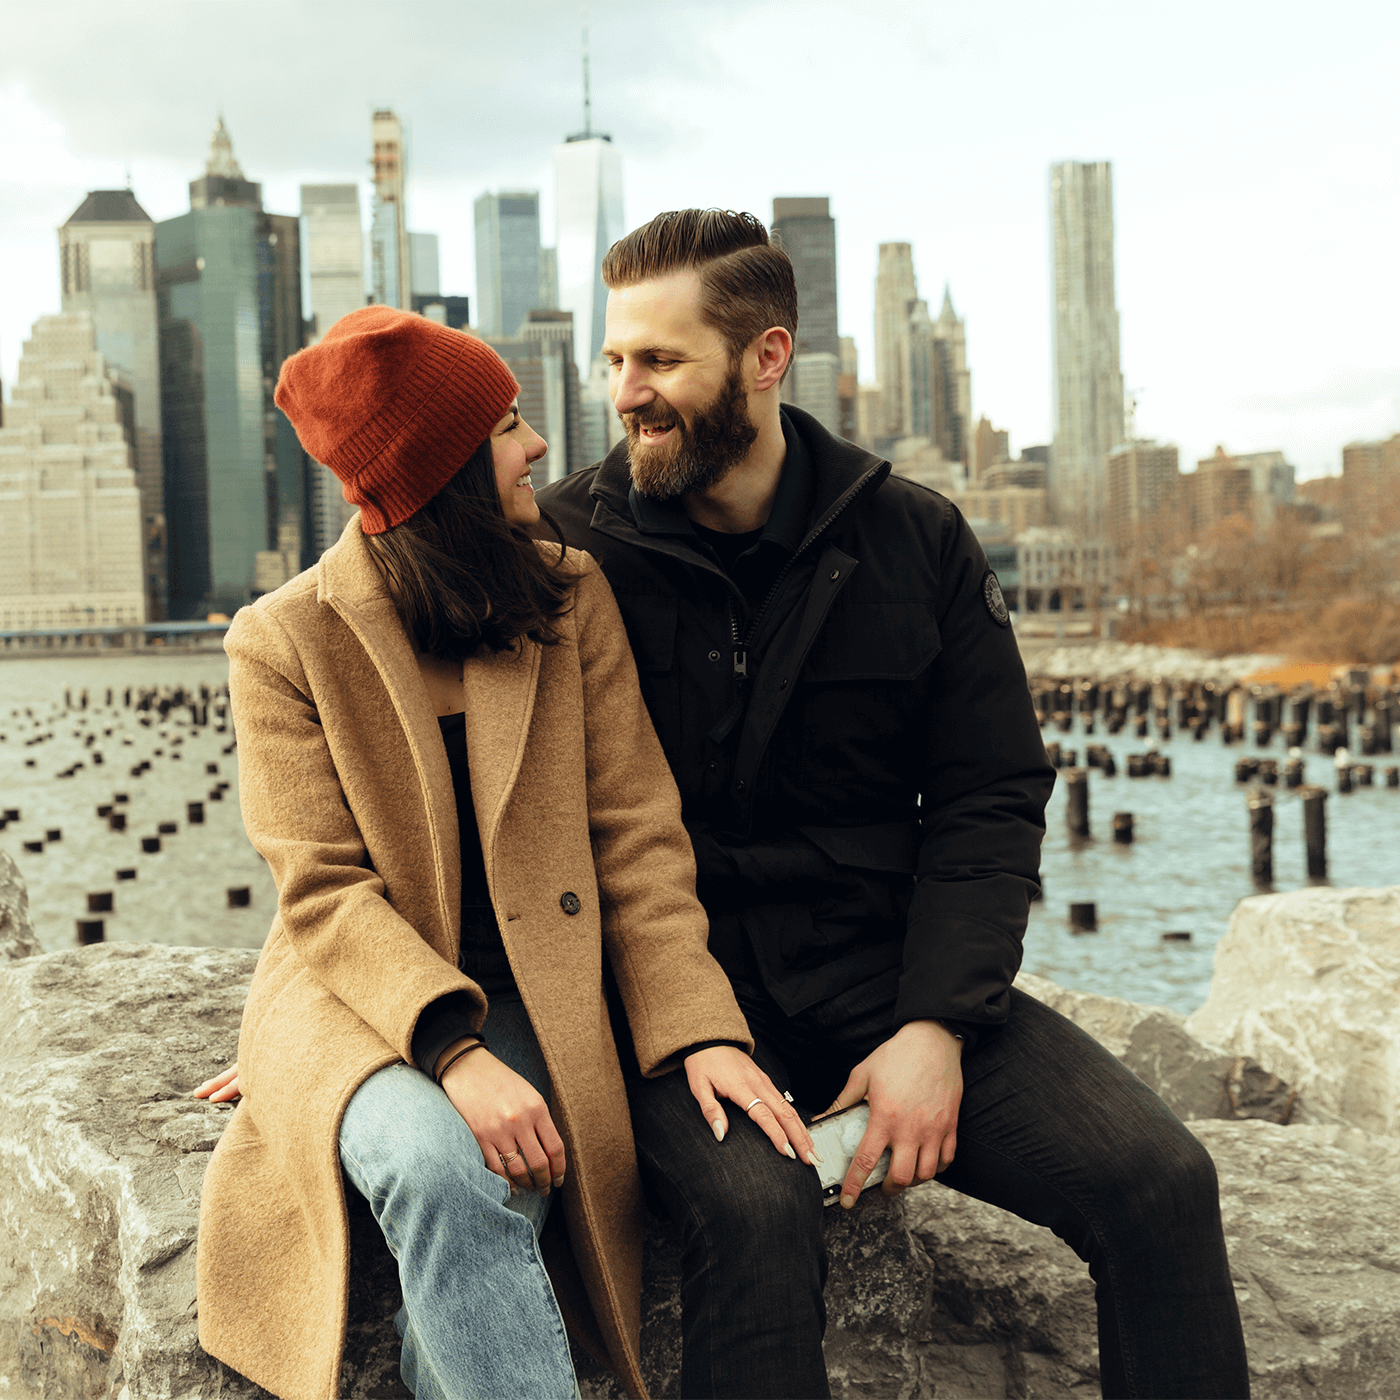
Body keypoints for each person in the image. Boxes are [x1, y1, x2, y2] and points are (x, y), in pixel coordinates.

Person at [537, 209, 1251, 1400]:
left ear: (766, 358)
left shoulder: (912, 535)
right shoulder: (565, 549)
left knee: (1159, 1178)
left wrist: (933, 1025)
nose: (625, 393)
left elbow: (989, 791)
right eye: (613, 361)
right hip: (673, 1002)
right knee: (760, 1214)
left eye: (658, 360)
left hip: (883, 976)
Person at [191, 305, 815, 1400]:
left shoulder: (566, 595)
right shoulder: (282, 639)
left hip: (537, 985)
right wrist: (445, 1055)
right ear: (439, 467)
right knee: (438, 1167)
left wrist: (700, 1026)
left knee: (510, 1172)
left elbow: (635, 836)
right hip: (362, 994)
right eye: (509, 425)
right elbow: (324, 890)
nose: (538, 447)